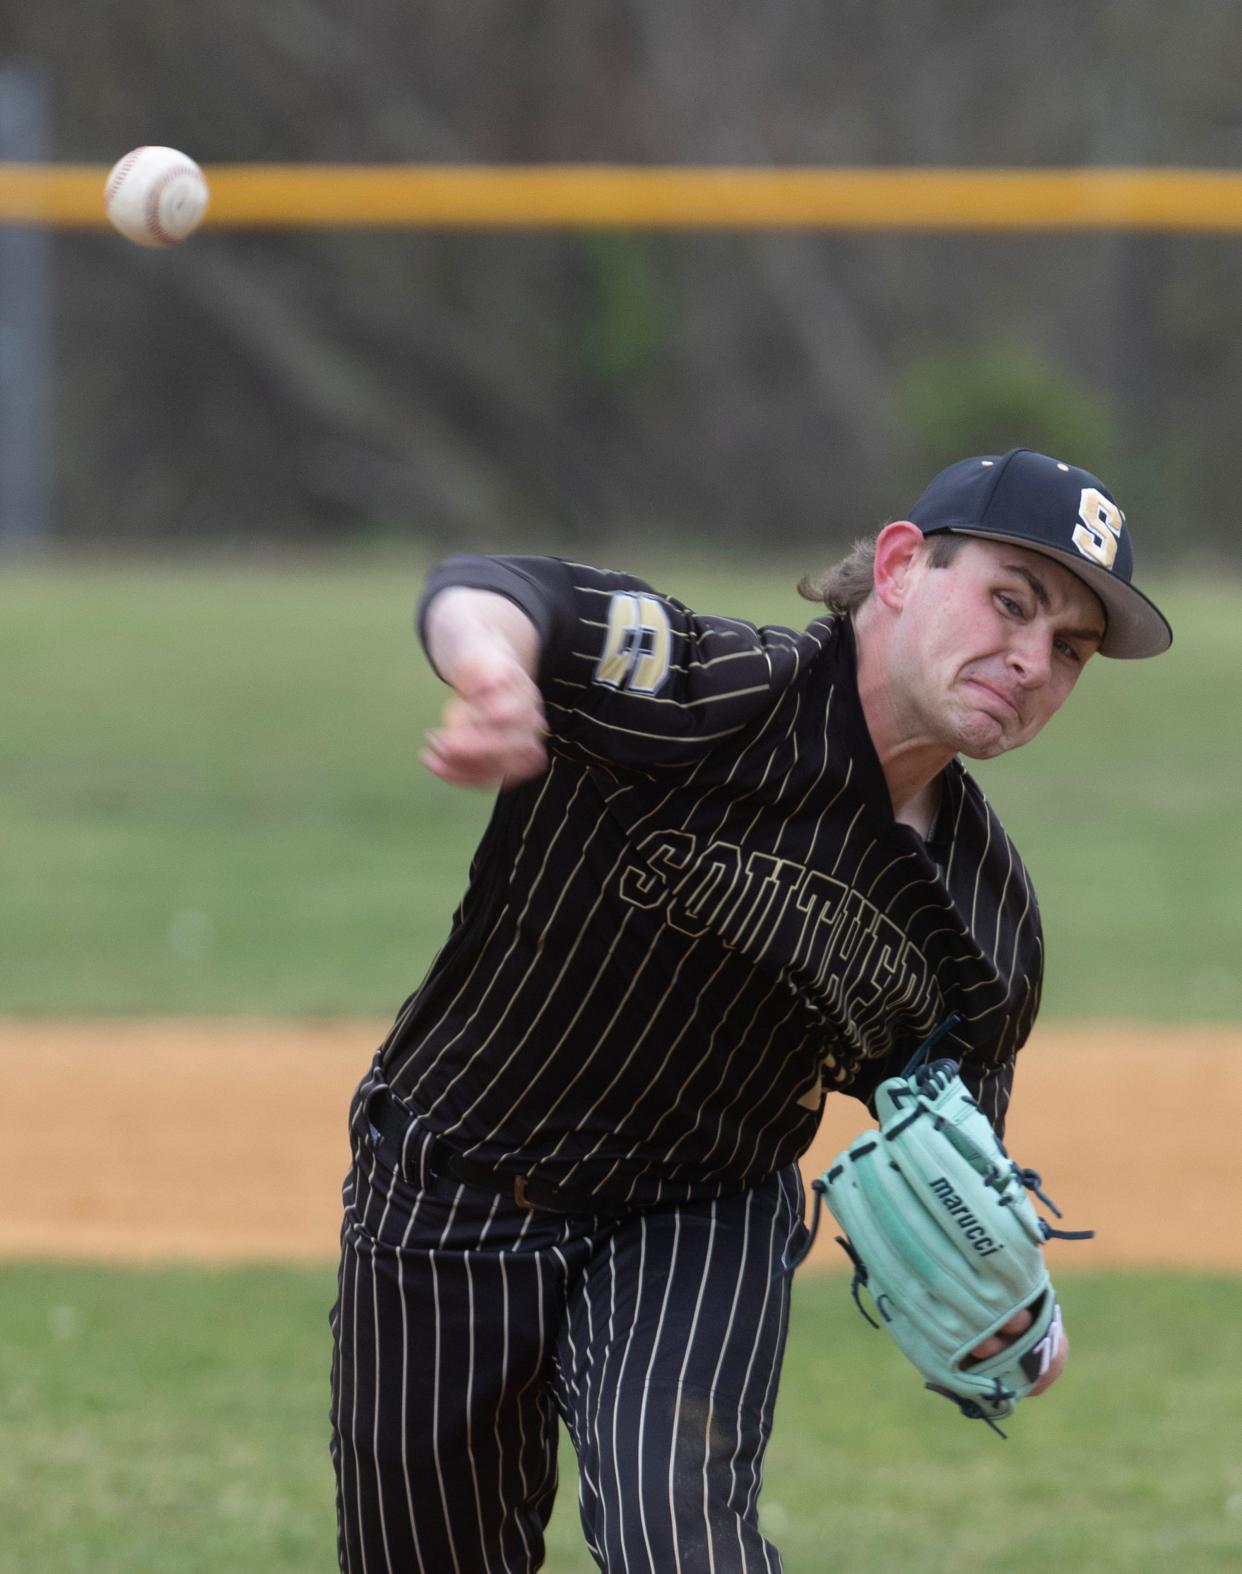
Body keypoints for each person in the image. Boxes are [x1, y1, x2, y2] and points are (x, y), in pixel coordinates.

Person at [329, 447, 1171, 1573]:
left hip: (697, 1214)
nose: (1031, 659)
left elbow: (959, 1157)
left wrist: (1016, 1302)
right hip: (453, 1175)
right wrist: (494, 674)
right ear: (902, 564)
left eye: (1069, 647)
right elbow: (496, 588)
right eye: (1010, 602)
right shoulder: (711, 683)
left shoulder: (981, 922)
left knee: (683, 1546)